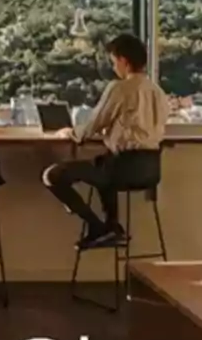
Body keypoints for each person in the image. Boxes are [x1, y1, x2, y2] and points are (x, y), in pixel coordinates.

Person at [42, 33, 168, 249]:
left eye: (113, 62)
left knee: (53, 175)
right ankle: (112, 227)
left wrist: (72, 133)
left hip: (120, 169)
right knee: (102, 163)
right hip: (149, 169)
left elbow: (95, 123)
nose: (114, 67)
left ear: (123, 61)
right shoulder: (158, 92)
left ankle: (97, 226)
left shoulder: (120, 88)